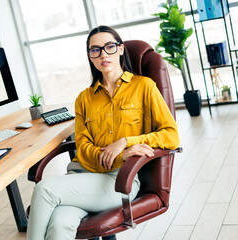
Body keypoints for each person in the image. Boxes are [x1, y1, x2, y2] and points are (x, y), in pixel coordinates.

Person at [26, 25, 180, 240]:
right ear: (90, 56)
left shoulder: (144, 86)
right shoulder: (84, 98)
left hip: (117, 181)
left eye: (109, 47)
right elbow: (83, 147)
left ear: (120, 49)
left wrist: (126, 142)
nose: (103, 54)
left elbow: (171, 135)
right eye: (95, 50)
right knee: (60, 225)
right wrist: (117, 152)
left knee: (45, 189)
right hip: (81, 175)